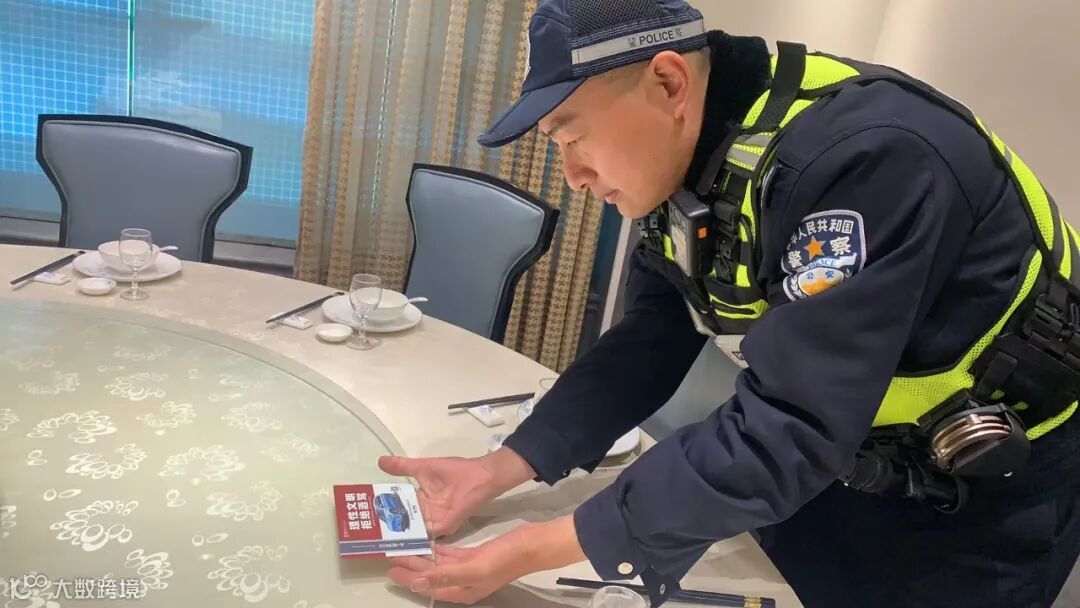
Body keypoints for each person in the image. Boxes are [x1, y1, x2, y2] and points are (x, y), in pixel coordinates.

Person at [379, 0, 1080, 606]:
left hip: (981, 493)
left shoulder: (869, 160)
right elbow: (650, 339)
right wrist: (500, 467)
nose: (575, 177)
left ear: (668, 82)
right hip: (844, 459)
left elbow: (790, 427)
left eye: (574, 136)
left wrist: (533, 548)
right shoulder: (693, 165)